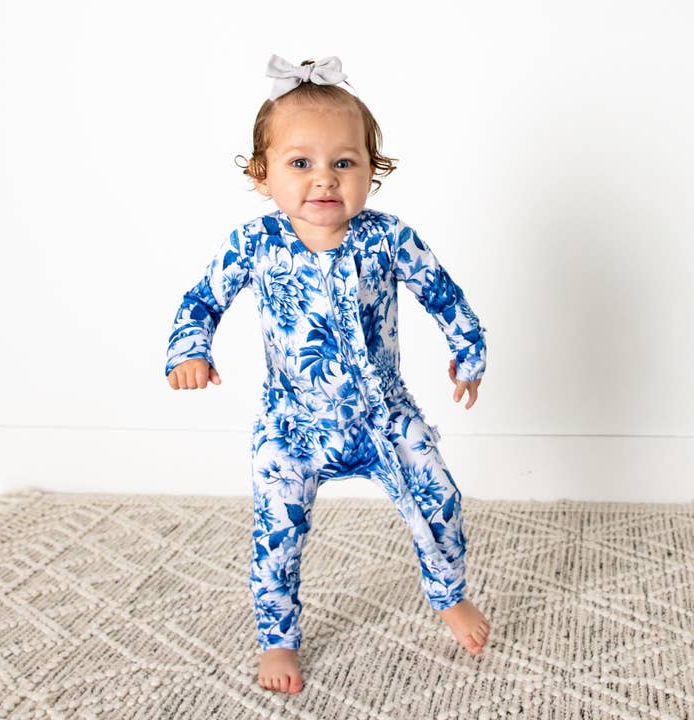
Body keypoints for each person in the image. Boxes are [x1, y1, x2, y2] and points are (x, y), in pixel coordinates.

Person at [165, 54, 491, 695]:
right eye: (300, 163)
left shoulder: (389, 238)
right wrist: (189, 350)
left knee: (440, 499)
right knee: (276, 534)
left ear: (373, 170)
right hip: (292, 425)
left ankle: (449, 593)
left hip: (384, 415)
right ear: (262, 175)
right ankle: (278, 638)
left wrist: (468, 351)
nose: (324, 179)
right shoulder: (253, 243)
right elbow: (202, 300)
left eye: (344, 163)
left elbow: (443, 294)